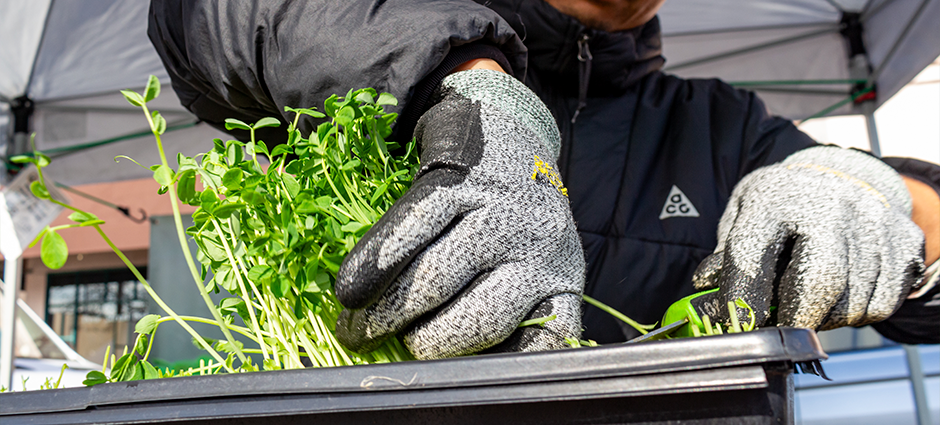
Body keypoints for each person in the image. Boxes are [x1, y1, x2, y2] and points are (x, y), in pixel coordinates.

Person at [148, 0, 939, 360]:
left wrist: (873, 193)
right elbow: (200, 16)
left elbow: (920, 239)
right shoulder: (386, 20)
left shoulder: (721, 129)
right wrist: (466, 80)